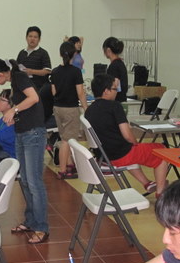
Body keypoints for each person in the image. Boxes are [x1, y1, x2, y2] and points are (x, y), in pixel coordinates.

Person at [0, 57, 50, 244]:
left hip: (33, 133)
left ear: (0, 74)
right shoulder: (14, 81)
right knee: (26, 181)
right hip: (22, 133)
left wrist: (14, 110)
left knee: (34, 182)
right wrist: (15, 114)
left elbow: (34, 98)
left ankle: (41, 227)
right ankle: (31, 221)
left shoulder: (19, 77)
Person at [85, 74, 169, 196]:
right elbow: (127, 135)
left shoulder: (89, 110)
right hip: (119, 155)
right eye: (115, 89)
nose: (117, 92)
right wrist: (136, 143)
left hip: (102, 156)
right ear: (106, 91)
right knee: (161, 151)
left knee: (129, 150)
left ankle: (147, 183)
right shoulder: (115, 106)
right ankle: (161, 194)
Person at [51, 41, 87, 179]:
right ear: (74, 54)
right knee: (67, 140)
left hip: (57, 108)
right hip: (70, 109)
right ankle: (63, 170)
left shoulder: (55, 71)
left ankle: (70, 163)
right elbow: (80, 93)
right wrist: (86, 108)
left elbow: (54, 92)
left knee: (64, 137)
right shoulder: (76, 72)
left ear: (60, 54)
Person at [16, 26, 52, 92]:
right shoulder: (21, 53)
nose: (32, 39)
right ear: (26, 38)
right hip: (23, 89)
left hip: (39, 89)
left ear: (39, 39)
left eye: (35, 37)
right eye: (30, 36)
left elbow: (47, 71)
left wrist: (31, 71)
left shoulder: (43, 53)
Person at [103, 36, 128, 103]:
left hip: (116, 101)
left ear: (108, 50)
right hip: (121, 100)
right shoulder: (120, 63)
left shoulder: (114, 66)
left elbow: (113, 87)